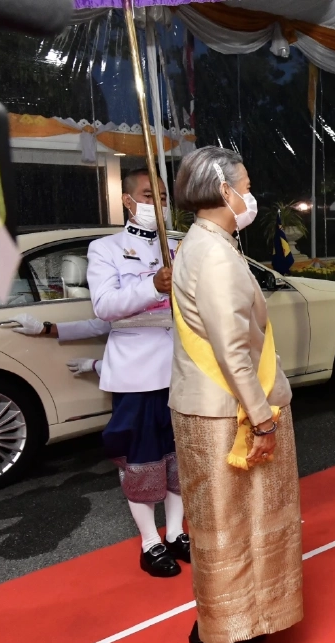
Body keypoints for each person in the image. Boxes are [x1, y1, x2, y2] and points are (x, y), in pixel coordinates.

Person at [169, 146, 302, 643]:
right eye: (245, 186)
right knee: (235, 527)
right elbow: (233, 351)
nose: (250, 196)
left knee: (220, 524)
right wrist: (263, 419)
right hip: (230, 414)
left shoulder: (200, 243)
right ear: (224, 191)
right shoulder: (217, 256)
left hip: (209, 405)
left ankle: (216, 621)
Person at [86, 170, 189, 578]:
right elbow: (104, 306)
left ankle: (177, 532)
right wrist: (152, 287)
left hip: (180, 368)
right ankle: (150, 542)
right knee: (141, 459)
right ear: (127, 201)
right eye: (148, 196)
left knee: (181, 457)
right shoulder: (106, 248)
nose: (157, 203)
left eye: (162, 196)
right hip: (136, 372)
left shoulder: (179, 246)